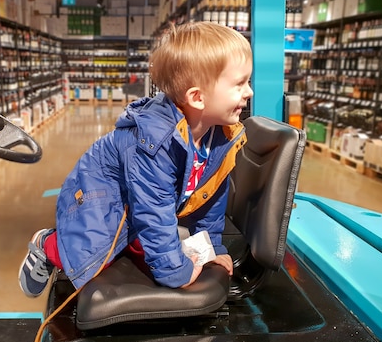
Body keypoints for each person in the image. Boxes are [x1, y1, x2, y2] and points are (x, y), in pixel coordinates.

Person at [19, 21, 253, 298]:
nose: (248, 92)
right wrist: (174, 272)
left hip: (138, 198)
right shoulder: (155, 144)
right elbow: (153, 211)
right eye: (239, 84)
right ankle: (48, 245)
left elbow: (209, 200)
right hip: (100, 193)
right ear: (197, 97)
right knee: (93, 255)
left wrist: (209, 250)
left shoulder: (220, 137)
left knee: (142, 244)